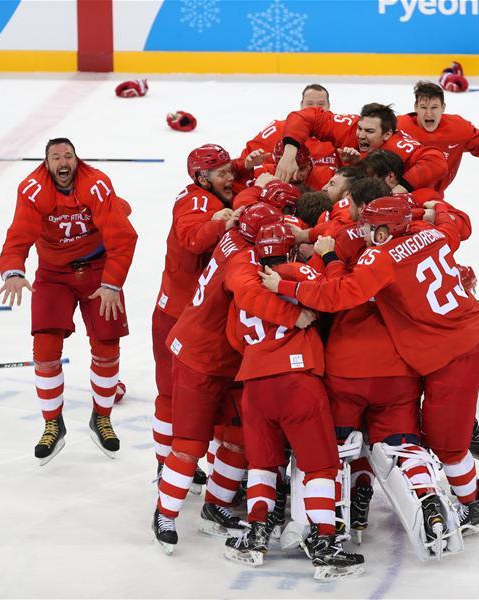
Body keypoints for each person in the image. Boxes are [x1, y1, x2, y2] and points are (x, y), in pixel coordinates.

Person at [261, 196, 479, 536]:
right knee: (418, 437)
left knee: (444, 440)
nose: (364, 231)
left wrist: (289, 282)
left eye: (370, 226)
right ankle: (449, 481)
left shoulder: (379, 257)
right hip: (462, 336)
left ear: (386, 231)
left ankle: (475, 507)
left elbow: (339, 295)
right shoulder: (430, 232)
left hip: (450, 352)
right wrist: (430, 209)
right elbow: (455, 223)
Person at [152, 203, 309, 554]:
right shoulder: (242, 259)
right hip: (201, 360)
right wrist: (293, 316)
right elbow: (251, 295)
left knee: (241, 439)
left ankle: (215, 506)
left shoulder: (235, 236)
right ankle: (165, 514)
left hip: (229, 360)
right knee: (190, 444)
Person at [224, 222, 365, 580]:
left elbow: (233, 337)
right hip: (298, 381)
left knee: (262, 465)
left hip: (255, 383)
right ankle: (324, 545)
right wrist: (326, 255)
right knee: (319, 465)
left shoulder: (246, 285)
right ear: (290, 249)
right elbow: (333, 293)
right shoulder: (298, 271)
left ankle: (256, 537)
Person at [0, 138, 138, 465]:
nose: (63, 161)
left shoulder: (98, 184)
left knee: (107, 344)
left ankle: (101, 417)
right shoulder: (32, 189)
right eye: (56, 157)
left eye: (68, 156)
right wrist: (13, 272)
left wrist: (112, 283)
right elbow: (18, 236)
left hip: (98, 270)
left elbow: (123, 237)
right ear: (47, 163)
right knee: (45, 347)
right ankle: (52, 423)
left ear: (77, 160)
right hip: (53, 274)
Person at [151, 144, 240, 482]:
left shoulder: (205, 193)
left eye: (230, 170)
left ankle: (170, 463)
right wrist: (222, 224)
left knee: (194, 397)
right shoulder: (199, 201)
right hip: (178, 318)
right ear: (202, 178)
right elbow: (191, 239)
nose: (230, 178)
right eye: (222, 173)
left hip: (183, 314)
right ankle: (165, 465)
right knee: (173, 395)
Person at [275, 103, 447, 192]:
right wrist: (289, 153)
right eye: (360, 128)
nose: (361, 135)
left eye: (370, 131)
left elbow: (437, 161)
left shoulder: (399, 147)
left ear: (387, 134)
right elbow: (306, 115)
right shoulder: (349, 127)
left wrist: (398, 190)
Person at [396, 81, 479, 195]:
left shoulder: (458, 129)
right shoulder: (399, 127)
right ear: (415, 107)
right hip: (397, 194)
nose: (429, 113)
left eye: (434, 107)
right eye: (423, 107)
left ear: (443, 108)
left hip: (432, 198)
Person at [239, 84, 338, 169]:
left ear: (329, 106)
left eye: (321, 104)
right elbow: (245, 160)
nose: (315, 109)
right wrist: (248, 164)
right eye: (309, 104)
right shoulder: (279, 129)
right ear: (301, 105)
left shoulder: (338, 131)